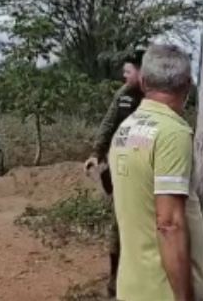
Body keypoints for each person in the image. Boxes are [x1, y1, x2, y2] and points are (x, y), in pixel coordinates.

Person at [108, 44, 203, 301]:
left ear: (142, 81)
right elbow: (169, 225)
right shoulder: (172, 133)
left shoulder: (125, 130)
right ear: (187, 85)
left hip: (131, 286)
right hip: (162, 291)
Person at [84, 49, 146, 297]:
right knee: (118, 222)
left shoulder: (156, 96)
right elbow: (108, 124)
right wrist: (96, 153)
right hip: (121, 168)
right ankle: (115, 278)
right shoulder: (122, 95)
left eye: (128, 71)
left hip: (147, 168)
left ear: (143, 71)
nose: (123, 75)